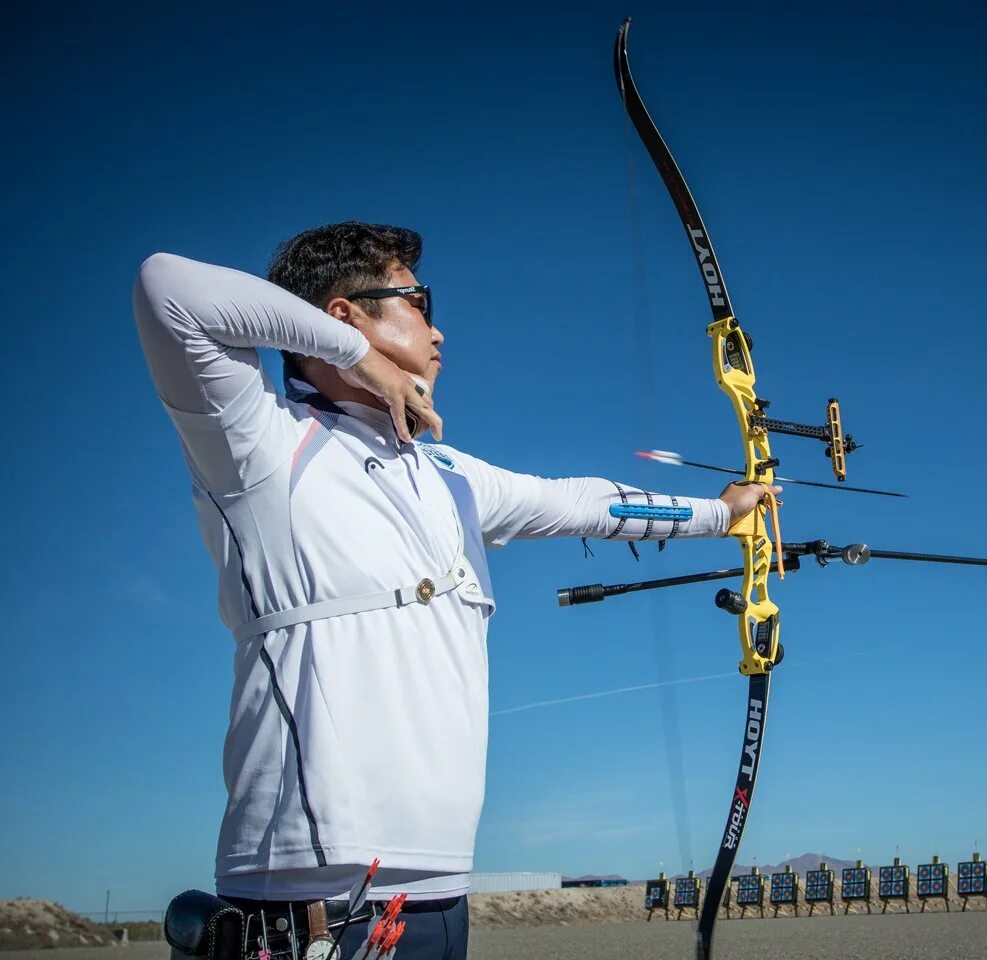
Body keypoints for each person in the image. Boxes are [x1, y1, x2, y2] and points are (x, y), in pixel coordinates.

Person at [133, 221, 776, 960]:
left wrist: (722, 514)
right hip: (305, 894)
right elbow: (167, 288)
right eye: (419, 303)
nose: (440, 334)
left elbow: (585, 502)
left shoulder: (452, 478)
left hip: (439, 892)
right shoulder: (258, 443)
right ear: (343, 314)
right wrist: (358, 360)